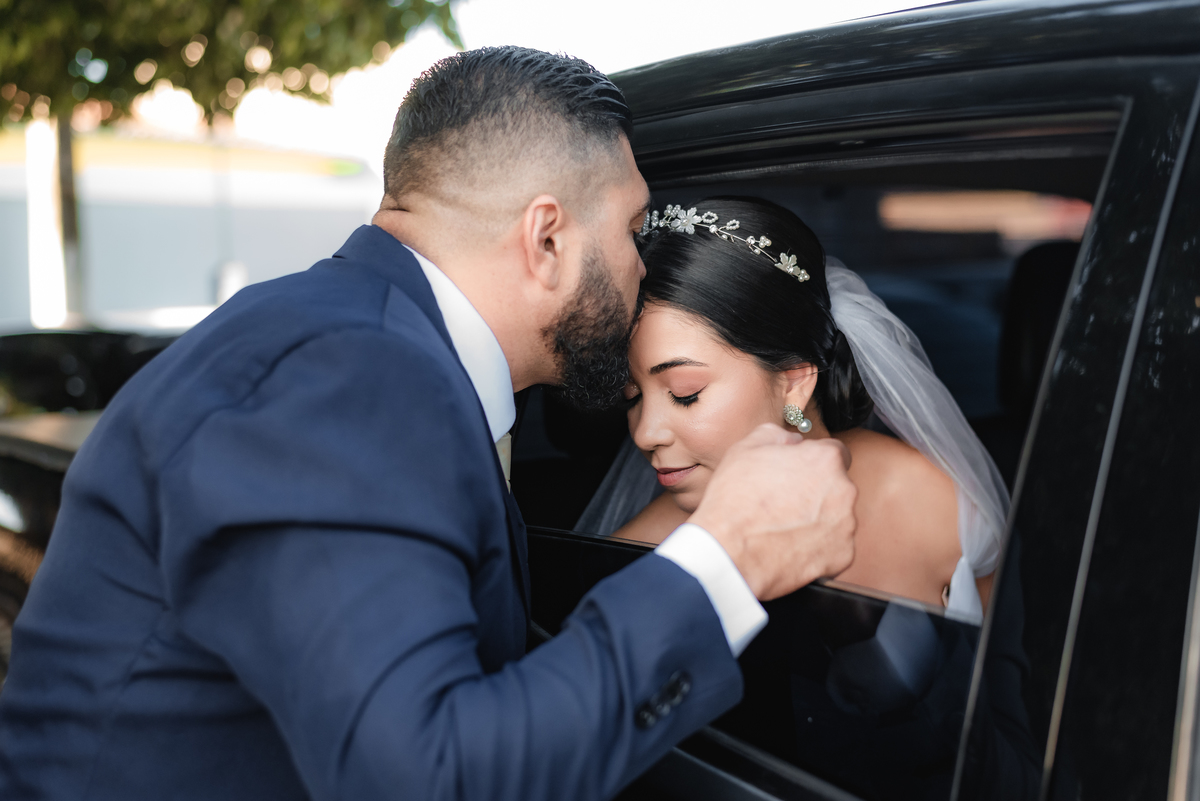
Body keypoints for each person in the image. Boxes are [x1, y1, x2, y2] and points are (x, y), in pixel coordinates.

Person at [0, 50, 858, 800]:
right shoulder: (350, 380)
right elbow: (428, 778)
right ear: (547, 239)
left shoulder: (359, 343)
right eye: (633, 229)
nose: (644, 267)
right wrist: (732, 555)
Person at [578, 198, 1009, 621]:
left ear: (794, 382)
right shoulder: (638, 558)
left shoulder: (940, 507)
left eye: (685, 392)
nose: (645, 433)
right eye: (632, 397)